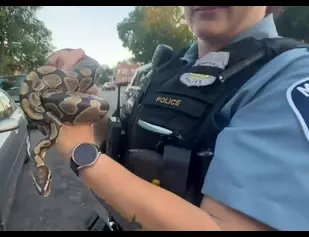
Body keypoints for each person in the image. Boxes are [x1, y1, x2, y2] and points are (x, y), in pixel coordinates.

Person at [47, 6, 309, 231]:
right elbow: (120, 137)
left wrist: (81, 154)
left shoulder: (290, 76)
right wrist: (83, 101)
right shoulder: (166, 66)